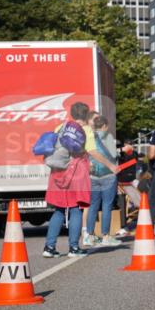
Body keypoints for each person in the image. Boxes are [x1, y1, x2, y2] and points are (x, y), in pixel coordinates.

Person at [43, 101, 92, 257]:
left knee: (58, 210)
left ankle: (49, 248)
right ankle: (73, 248)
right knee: (75, 209)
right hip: (74, 175)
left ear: (72, 114)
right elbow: (90, 151)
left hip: (57, 174)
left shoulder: (60, 127)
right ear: (86, 115)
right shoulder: (85, 131)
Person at [84, 115, 121, 247]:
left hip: (93, 176)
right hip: (108, 176)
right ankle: (106, 235)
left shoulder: (91, 137)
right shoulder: (107, 137)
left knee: (93, 205)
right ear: (105, 126)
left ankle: (89, 235)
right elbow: (112, 155)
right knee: (106, 205)